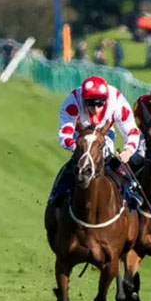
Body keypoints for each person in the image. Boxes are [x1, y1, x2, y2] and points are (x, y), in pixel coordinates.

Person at [48, 75, 142, 209]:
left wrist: (128, 151)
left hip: (105, 135)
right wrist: (82, 147)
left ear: (106, 100)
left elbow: (131, 130)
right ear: (83, 100)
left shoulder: (117, 101)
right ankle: (55, 196)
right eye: (90, 103)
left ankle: (132, 194)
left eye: (100, 103)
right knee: (68, 169)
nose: (96, 108)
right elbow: (64, 136)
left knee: (111, 160)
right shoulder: (72, 102)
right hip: (81, 137)